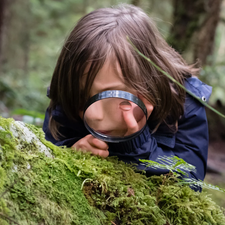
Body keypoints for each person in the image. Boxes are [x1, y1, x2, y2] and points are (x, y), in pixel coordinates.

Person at [43, 4, 212, 185]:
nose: (94, 114)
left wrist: (136, 144)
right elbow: (45, 154)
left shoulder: (183, 105)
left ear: (148, 84)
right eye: (82, 96)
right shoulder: (65, 96)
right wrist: (68, 154)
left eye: (110, 95)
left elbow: (192, 182)